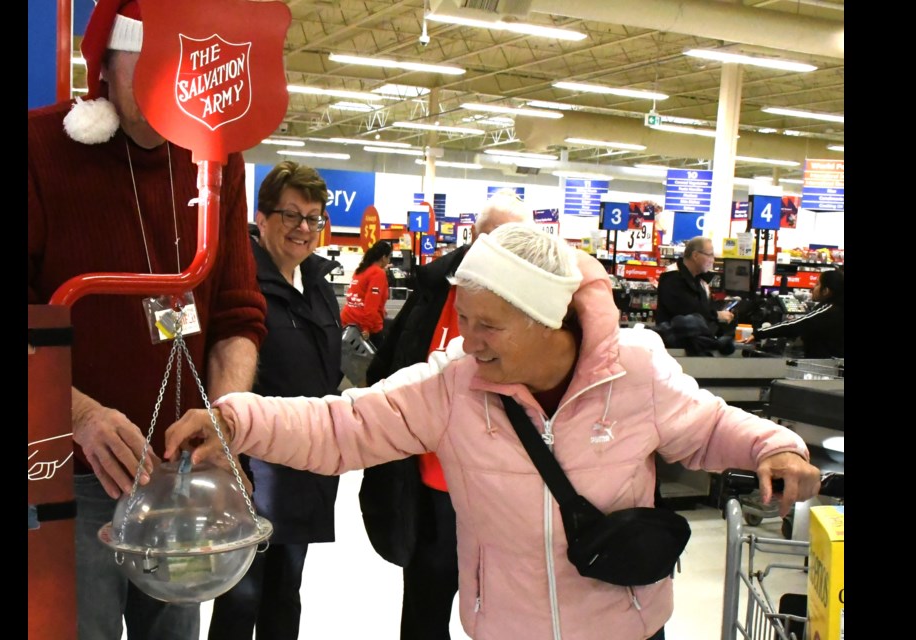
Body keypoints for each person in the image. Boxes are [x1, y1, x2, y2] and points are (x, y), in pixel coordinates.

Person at [166, 223, 821, 640]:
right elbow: (346, 424)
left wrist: (777, 446)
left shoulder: (635, 368)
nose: (466, 340)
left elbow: (709, 427)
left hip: (628, 626)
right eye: (465, 318)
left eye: (488, 325)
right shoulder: (454, 385)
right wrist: (235, 419)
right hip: (506, 628)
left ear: (549, 321)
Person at [27, 0, 267, 637]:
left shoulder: (218, 159)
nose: (171, 104)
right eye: (150, 76)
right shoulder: (38, 150)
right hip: (73, 476)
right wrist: (79, 415)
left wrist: (226, 414)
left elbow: (238, 314)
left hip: (183, 475)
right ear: (106, 65)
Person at [363, 188, 532, 640]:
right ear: (472, 237)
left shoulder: (540, 308)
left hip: (507, 494)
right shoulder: (434, 290)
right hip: (432, 488)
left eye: (515, 241)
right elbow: (390, 369)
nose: (501, 252)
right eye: (493, 238)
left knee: (505, 613)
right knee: (425, 605)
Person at [207, 161, 342, 640]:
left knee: (287, 591)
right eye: (290, 215)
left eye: (312, 218)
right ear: (261, 218)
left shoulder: (320, 287)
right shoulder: (244, 287)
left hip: (305, 469)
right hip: (253, 472)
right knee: (241, 596)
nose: (303, 229)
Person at [746, 267, 844, 358]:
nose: (813, 288)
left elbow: (798, 325)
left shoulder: (829, 310)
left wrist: (759, 334)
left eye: (817, 284)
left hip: (826, 367)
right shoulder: (836, 308)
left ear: (826, 291)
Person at [656, 236, 735, 336]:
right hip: (674, 346)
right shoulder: (672, 277)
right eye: (709, 255)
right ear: (695, 255)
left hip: (696, 342)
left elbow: (706, 307)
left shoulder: (700, 280)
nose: (713, 260)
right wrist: (716, 315)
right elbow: (687, 311)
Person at [340, 240, 393, 346]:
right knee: (378, 361)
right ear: (383, 257)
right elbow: (371, 304)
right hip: (365, 327)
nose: (389, 261)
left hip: (347, 321)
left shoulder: (360, 270)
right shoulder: (378, 273)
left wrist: (382, 310)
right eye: (389, 257)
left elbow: (357, 296)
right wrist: (366, 328)